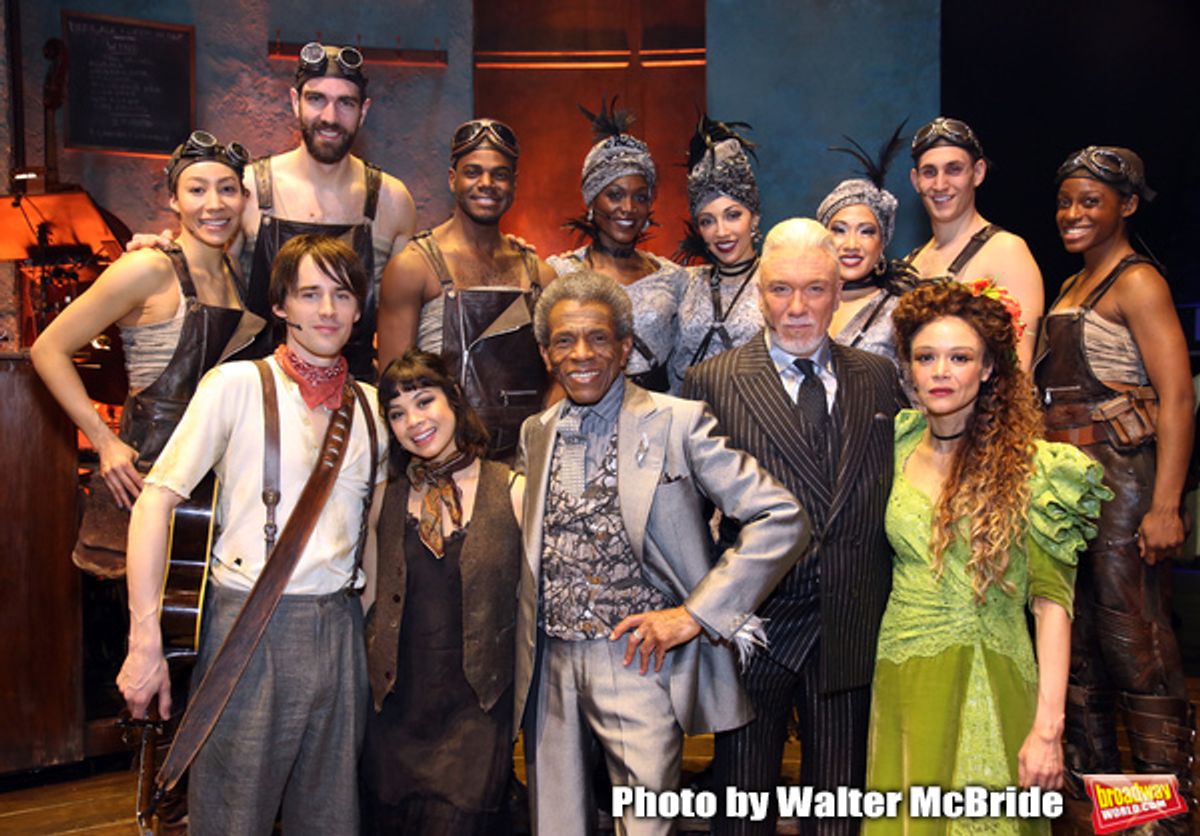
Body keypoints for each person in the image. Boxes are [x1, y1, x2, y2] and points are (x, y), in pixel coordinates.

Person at [515, 270, 808, 836]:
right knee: (555, 824)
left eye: (598, 338)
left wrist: (695, 615)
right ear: (546, 352)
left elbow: (782, 517)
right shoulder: (537, 431)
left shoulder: (678, 421)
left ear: (625, 346)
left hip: (637, 662)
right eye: (564, 340)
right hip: (549, 664)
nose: (582, 354)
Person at [116, 234, 387, 835]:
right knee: (231, 816)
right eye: (309, 294)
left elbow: (369, 529)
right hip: (252, 629)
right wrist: (144, 640)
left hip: (340, 632)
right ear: (282, 306)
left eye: (341, 295)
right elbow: (154, 502)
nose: (326, 311)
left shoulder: (372, 408)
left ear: (359, 307)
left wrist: (367, 637)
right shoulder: (235, 385)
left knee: (332, 818)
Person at [864, 280, 1110, 834]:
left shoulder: (1039, 470)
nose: (941, 371)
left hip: (990, 672)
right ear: (908, 367)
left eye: (960, 357)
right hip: (901, 672)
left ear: (990, 368)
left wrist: (1049, 728)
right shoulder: (896, 442)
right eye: (926, 357)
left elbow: (1052, 608)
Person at [684, 219, 904, 836]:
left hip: (850, 625)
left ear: (840, 291)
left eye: (815, 289)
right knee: (741, 811)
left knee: (838, 816)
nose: (798, 308)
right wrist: (713, 612)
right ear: (759, 290)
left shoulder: (881, 379)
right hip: (756, 632)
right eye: (781, 290)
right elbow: (691, 520)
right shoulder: (714, 382)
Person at [1035, 146, 1195, 835]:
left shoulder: (1138, 283)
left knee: (1135, 645)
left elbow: (1179, 397)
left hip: (1124, 486)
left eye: (1089, 201)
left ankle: (1158, 817)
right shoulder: (1072, 284)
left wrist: (1165, 505)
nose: (1072, 214)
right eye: (1066, 200)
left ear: (1126, 206)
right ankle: (1099, 811)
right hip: (1066, 491)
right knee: (1080, 649)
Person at [32, 131, 260, 512]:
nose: (214, 204)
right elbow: (48, 349)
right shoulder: (147, 266)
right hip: (147, 479)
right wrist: (103, 441)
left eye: (227, 189)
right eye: (197, 190)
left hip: (213, 482)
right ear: (174, 199)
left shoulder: (235, 273)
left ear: (244, 199)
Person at [361, 349, 524, 835]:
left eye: (425, 401)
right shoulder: (383, 500)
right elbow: (368, 602)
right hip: (395, 711)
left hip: (476, 711)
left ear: (454, 399)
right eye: (396, 413)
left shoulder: (513, 490)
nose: (413, 421)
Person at [376, 119, 556, 458]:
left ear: (514, 184)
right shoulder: (413, 267)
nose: (486, 184)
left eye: (499, 174)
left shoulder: (540, 276)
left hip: (520, 471)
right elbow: (393, 389)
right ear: (452, 178)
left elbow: (559, 377)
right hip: (438, 466)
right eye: (473, 172)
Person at [240, 42, 416, 380]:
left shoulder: (391, 201)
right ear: (295, 103)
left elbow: (409, 313)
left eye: (345, 103)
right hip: (263, 402)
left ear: (363, 111)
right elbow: (206, 283)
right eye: (316, 99)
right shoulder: (249, 189)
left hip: (352, 401)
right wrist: (162, 249)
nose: (330, 118)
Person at [548, 98, 687, 393]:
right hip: (586, 414)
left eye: (640, 197)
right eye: (614, 194)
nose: (628, 208)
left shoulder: (672, 277)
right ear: (591, 200)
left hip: (658, 419)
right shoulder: (558, 273)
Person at [904, 117, 1043, 369]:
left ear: (977, 173)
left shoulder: (1006, 251)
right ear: (915, 181)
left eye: (954, 169)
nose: (940, 184)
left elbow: (1019, 369)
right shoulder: (909, 263)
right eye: (929, 172)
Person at [670, 115, 765, 390]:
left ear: (754, 217)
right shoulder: (685, 282)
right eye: (707, 221)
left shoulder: (777, 280)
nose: (721, 232)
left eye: (733, 215)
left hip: (755, 422)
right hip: (689, 420)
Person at [816, 125, 919, 366]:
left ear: (882, 243)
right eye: (839, 230)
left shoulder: (902, 310)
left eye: (866, 232)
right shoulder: (803, 303)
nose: (851, 244)